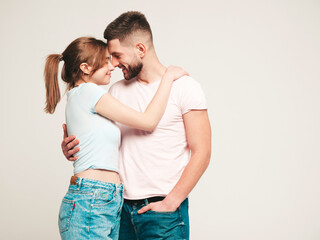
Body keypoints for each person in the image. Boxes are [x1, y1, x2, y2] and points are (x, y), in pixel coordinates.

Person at [62, 11, 211, 240]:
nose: (113, 63)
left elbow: (202, 151)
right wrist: (72, 146)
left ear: (140, 49)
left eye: (117, 55)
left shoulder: (185, 87)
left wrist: (172, 201)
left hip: (163, 212)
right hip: (118, 210)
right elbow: (100, 139)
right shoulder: (116, 91)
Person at [44, 36, 187, 240]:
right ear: (85, 68)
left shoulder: (82, 97)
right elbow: (147, 121)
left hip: (104, 199)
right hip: (92, 199)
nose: (112, 66)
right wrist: (168, 77)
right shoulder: (89, 92)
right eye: (105, 61)